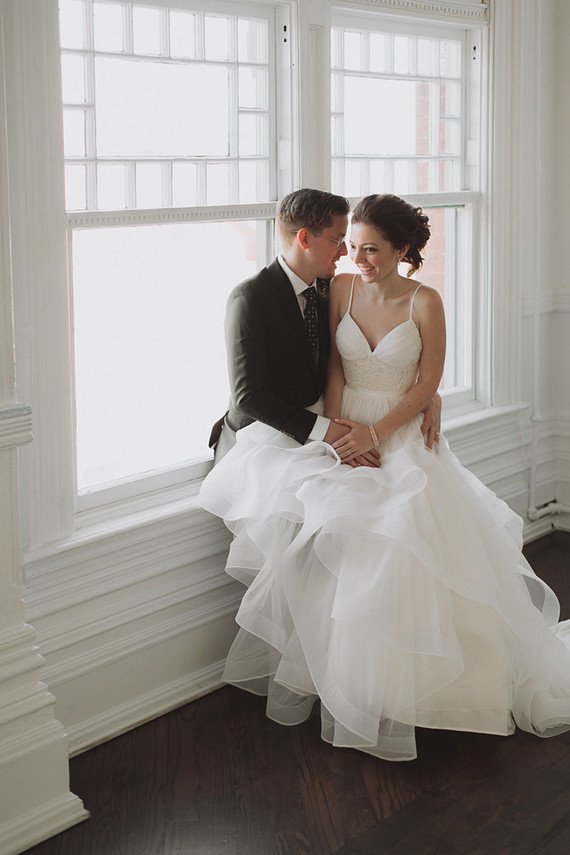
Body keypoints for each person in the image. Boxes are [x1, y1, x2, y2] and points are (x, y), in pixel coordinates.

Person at [200, 193, 570, 761]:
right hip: (341, 428)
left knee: (406, 544)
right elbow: (330, 368)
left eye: (369, 248)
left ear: (402, 250)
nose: (355, 258)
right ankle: (353, 683)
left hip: (398, 436)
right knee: (338, 542)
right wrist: (338, 439)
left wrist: (399, 419)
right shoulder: (333, 288)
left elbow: (425, 378)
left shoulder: (424, 300)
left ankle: (426, 690)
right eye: (347, 246)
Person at [209, 187, 440, 462]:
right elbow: (248, 396)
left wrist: (428, 395)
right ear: (305, 238)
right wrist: (328, 433)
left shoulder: (329, 287)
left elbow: (347, 360)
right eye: (339, 240)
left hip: (333, 426)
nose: (347, 254)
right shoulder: (250, 298)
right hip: (258, 440)